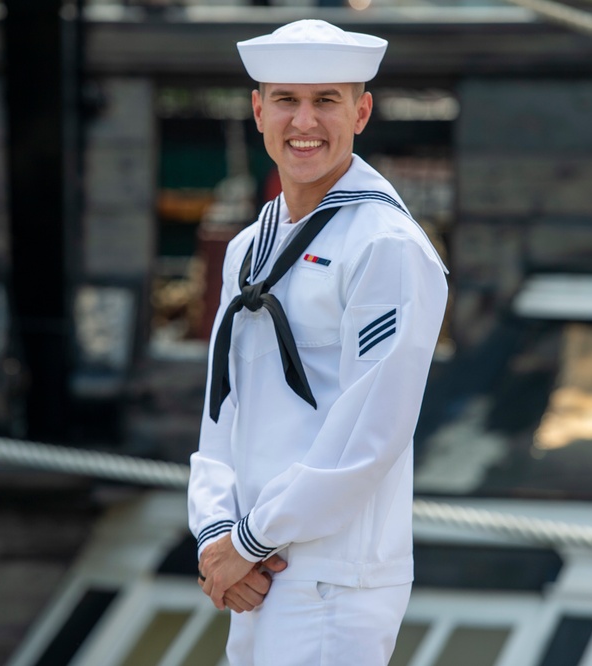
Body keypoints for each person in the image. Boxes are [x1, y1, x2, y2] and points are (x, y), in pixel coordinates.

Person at [188, 19, 448, 666]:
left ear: (361, 112)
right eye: (286, 100)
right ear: (258, 110)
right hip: (252, 575)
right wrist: (216, 532)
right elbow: (223, 412)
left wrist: (247, 541)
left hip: (336, 581)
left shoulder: (385, 247)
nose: (304, 121)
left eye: (326, 100)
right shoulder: (250, 247)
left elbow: (367, 437)